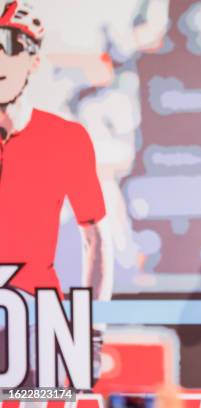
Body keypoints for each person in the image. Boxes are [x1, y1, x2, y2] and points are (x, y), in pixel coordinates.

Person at [0, 0, 111, 385]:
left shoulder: (64, 139)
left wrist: (91, 335)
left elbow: (95, 239)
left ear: (32, 60)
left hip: (35, 323)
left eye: (12, 47)